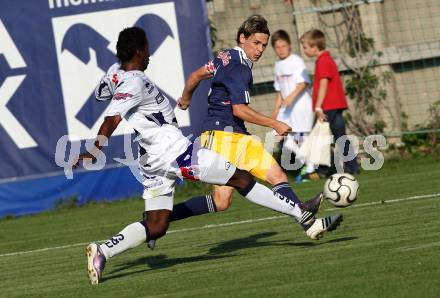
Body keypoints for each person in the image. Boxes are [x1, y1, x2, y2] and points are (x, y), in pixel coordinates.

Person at [75, 27, 340, 285]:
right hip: (173, 152)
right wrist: (95, 148)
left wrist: (113, 78)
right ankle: (301, 215)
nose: (149, 55)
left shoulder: (118, 74)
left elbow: (102, 93)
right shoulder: (132, 81)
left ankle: (103, 250)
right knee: (241, 178)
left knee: (157, 225)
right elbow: (112, 117)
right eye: (146, 50)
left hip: (152, 159)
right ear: (138, 51)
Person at [168, 16, 342, 239]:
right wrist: (275, 123)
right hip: (224, 137)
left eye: (263, 45)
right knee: (225, 199)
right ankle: (162, 217)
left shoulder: (226, 56)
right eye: (255, 43)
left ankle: (307, 221)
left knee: (263, 182)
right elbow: (239, 109)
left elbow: (195, 76)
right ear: (243, 38)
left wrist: (185, 99)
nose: (260, 50)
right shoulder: (240, 67)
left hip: (228, 135)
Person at [300, 29, 360, 175]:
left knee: (320, 137)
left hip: (328, 106)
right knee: (339, 136)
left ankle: (322, 170)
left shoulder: (322, 61)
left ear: (315, 47)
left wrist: (319, 107)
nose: (304, 50)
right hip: (335, 104)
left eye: (305, 47)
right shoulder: (326, 59)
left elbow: (324, 84)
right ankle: (353, 167)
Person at [270, 29, 319, 182]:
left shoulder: (296, 60)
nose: (281, 50)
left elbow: (303, 83)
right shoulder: (277, 66)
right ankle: (309, 166)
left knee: (301, 139)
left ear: (290, 46)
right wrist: (275, 112)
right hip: (286, 110)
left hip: (301, 106)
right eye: (277, 47)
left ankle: (309, 170)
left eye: (284, 46)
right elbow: (279, 91)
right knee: (283, 140)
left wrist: (291, 97)